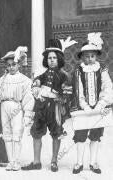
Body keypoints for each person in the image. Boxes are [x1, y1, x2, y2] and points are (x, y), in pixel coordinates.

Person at [22, 38, 74, 172]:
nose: (51, 60)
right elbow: (38, 81)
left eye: (54, 58)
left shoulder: (64, 76)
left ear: (59, 59)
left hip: (55, 109)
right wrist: (37, 83)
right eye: (49, 58)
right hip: (41, 108)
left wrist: (59, 96)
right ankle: (36, 161)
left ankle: (54, 161)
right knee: (36, 132)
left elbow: (67, 94)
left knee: (56, 133)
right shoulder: (44, 74)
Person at [71, 32, 113, 174]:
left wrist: (101, 103)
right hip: (83, 108)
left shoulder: (101, 69)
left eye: (92, 56)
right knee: (80, 135)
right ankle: (79, 162)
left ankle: (93, 162)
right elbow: (78, 90)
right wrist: (85, 106)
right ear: (82, 57)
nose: (90, 59)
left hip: (98, 107)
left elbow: (107, 87)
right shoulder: (78, 70)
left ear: (96, 56)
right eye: (87, 56)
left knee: (95, 134)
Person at [0, 47, 34, 171]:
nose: (11, 67)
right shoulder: (2, 79)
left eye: (14, 65)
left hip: (17, 108)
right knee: (7, 134)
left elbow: (28, 98)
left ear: (19, 65)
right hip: (4, 107)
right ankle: (10, 161)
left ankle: (16, 160)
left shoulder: (25, 80)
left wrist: (27, 114)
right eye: (9, 65)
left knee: (17, 133)